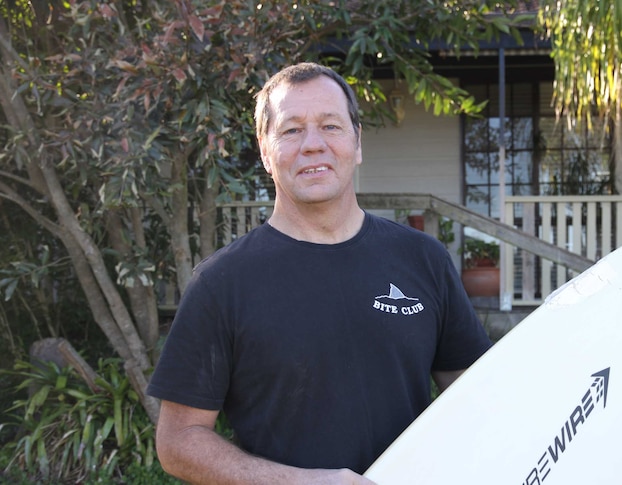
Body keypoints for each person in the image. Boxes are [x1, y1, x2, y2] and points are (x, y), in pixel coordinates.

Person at [147, 62, 492, 484]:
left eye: (330, 126)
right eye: (292, 130)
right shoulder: (222, 284)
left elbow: (477, 397)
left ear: (357, 141)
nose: (313, 145)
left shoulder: (422, 259)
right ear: (264, 150)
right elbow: (178, 441)